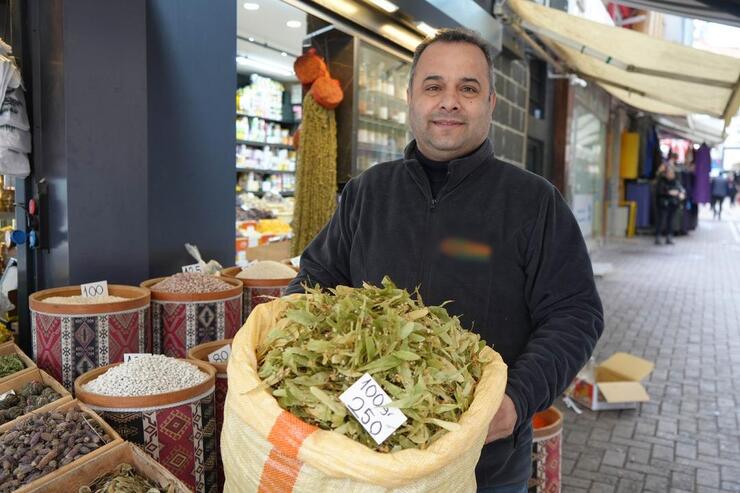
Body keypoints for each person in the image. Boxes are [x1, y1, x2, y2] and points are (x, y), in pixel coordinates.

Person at [286, 28, 603, 492]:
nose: (449, 101)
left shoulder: (535, 203)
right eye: (434, 86)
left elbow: (575, 314)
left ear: (491, 103)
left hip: (483, 462)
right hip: (365, 455)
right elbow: (316, 281)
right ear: (411, 98)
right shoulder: (367, 193)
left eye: (468, 88)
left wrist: (515, 402)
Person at [654, 165, 685, 245]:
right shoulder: (661, 181)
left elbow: (680, 190)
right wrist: (670, 192)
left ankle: (669, 237)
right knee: (661, 221)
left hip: (672, 204)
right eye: (669, 173)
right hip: (663, 204)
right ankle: (658, 236)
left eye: (672, 173)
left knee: (670, 221)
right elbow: (660, 191)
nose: (671, 175)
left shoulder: (676, 181)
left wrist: (679, 193)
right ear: (666, 173)